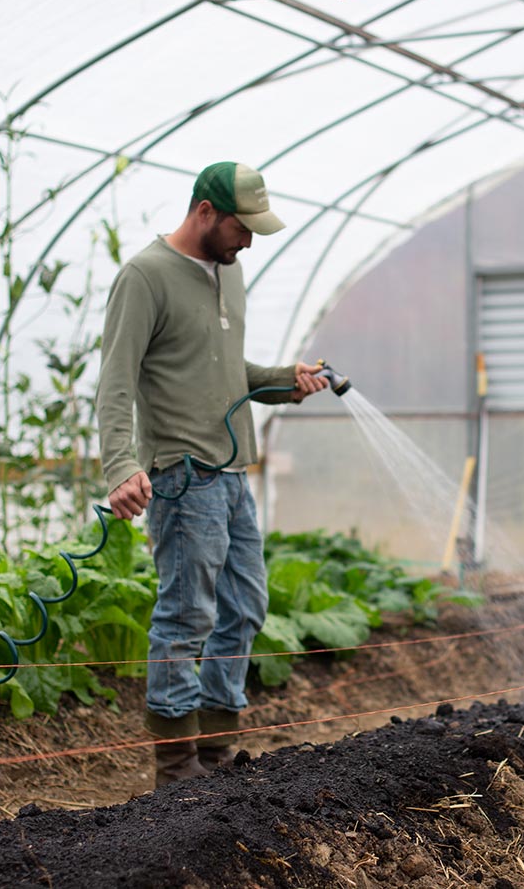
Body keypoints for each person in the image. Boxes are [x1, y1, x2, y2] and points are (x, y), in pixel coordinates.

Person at [95, 161, 329, 787]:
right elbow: (115, 383)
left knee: (246, 605)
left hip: (232, 476)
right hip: (182, 475)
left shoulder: (231, 272)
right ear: (205, 212)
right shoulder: (145, 277)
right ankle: (176, 767)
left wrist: (287, 382)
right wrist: (121, 466)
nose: (249, 240)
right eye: (241, 227)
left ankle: (218, 755)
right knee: (186, 615)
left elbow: (227, 373)